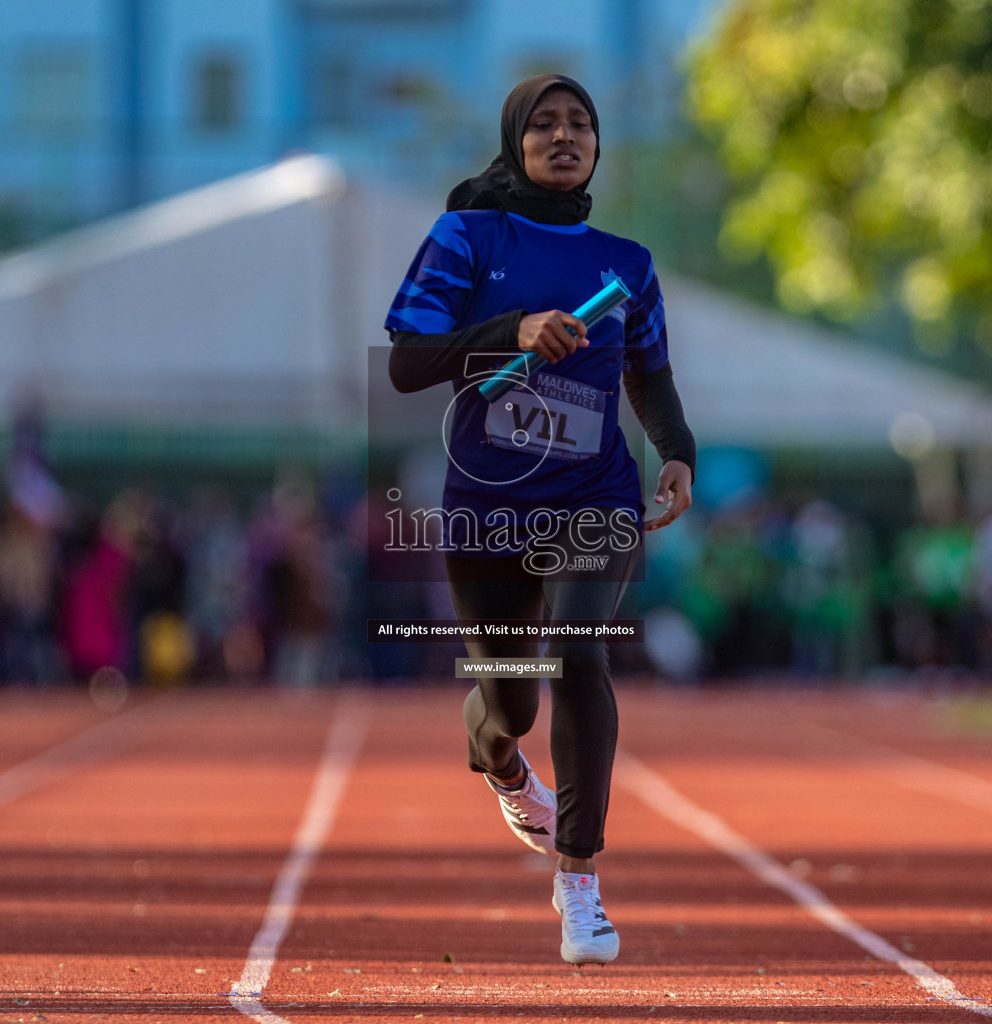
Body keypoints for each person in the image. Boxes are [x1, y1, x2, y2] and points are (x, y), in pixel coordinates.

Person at [384, 75, 696, 964]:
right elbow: (408, 365)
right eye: (546, 125)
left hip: (595, 497)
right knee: (512, 701)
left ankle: (580, 878)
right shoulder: (466, 239)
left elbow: (652, 375)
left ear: (598, 144)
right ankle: (502, 759)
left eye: (582, 124)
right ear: (516, 140)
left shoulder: (627, 263)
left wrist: (676, 451)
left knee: (577, 646)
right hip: (489, 505)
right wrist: (512, 330)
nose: (566, 137)